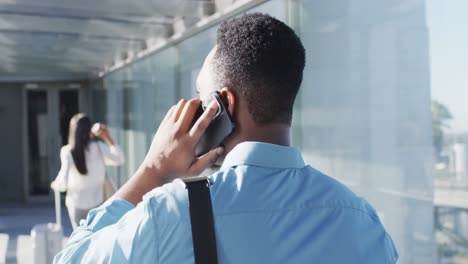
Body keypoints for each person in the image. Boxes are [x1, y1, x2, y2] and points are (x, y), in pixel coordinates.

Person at [54, 13, 398, 263]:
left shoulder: (172, 213)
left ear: (223, 105)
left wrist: (154, 169)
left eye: (201, 99)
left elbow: (71, 259)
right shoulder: (360, 218)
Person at [51, 113, 124, 229]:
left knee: (81, 240)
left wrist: (55, 184)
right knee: (97, 239)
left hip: (76, 204)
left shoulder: (67, 152)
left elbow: (63, 183)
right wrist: (107, 137)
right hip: (97, 204)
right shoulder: (99, 148)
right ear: (89, 130)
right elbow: (119, 159)